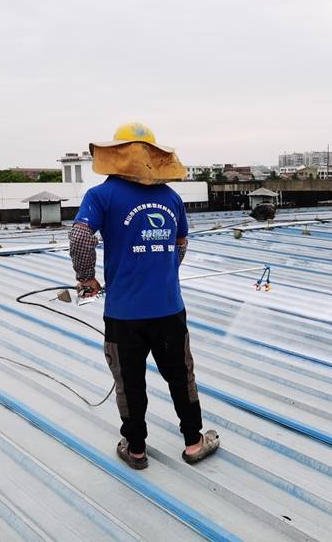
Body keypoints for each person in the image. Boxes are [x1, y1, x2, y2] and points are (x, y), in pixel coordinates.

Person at [69, 122, 219, 470]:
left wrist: (86, 278)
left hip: (124, 315)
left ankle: (136, 450)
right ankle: (194, 442)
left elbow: (79, 237)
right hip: (168, 310)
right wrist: (162, 270)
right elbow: (180, 243)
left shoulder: (101, 196)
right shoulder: (171, 198)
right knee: (181, 377)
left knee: (130, 382)